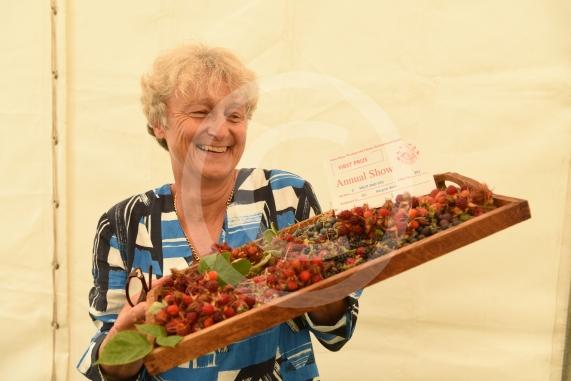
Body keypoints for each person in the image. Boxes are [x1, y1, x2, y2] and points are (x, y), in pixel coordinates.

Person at [77, 43, 360, 381]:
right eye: (200, 112)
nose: (220, 130)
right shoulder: (126, 223)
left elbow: (337, 333)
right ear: (158, 123)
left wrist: (319, 285)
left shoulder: (284, 197)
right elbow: (111, 369)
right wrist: (127, 336)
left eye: (234, 115)